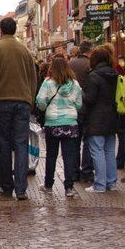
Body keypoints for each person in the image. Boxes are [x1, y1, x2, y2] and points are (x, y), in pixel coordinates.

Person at [0, 17, 38, 200]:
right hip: (22, 101)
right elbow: (33, 79)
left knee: (4, 144)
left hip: (1, 101)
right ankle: (21, 188)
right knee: (21, 144)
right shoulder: (25, 51)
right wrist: (30, 100)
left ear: (1, 32)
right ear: (14, 31)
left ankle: (7, 186)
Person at [35, 56, 83, 197]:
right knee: (69, 156)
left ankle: (48, 184)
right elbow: (79, 104)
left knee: (51, 155)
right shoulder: (74, 84)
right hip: (70, 123)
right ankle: (69, 187)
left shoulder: (48, 83)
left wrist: (45, 107)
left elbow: (40, 101)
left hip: (53, 123)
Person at [83, 44, 119, 193]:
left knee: (97, 151)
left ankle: (99, 184)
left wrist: (81, 93)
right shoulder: (115, 75)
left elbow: (90, 99)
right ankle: (111, 182)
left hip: (96, 119)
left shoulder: (94, 76)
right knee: (110, 152)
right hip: (112, 117)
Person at [68, 40, 95, 182]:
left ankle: (74, 172)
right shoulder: (90, 65)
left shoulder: (70, 64)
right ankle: (87, 171)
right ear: (89, 51)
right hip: (87, 107)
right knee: (88, 140)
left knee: (74, 141)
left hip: (72, 107)